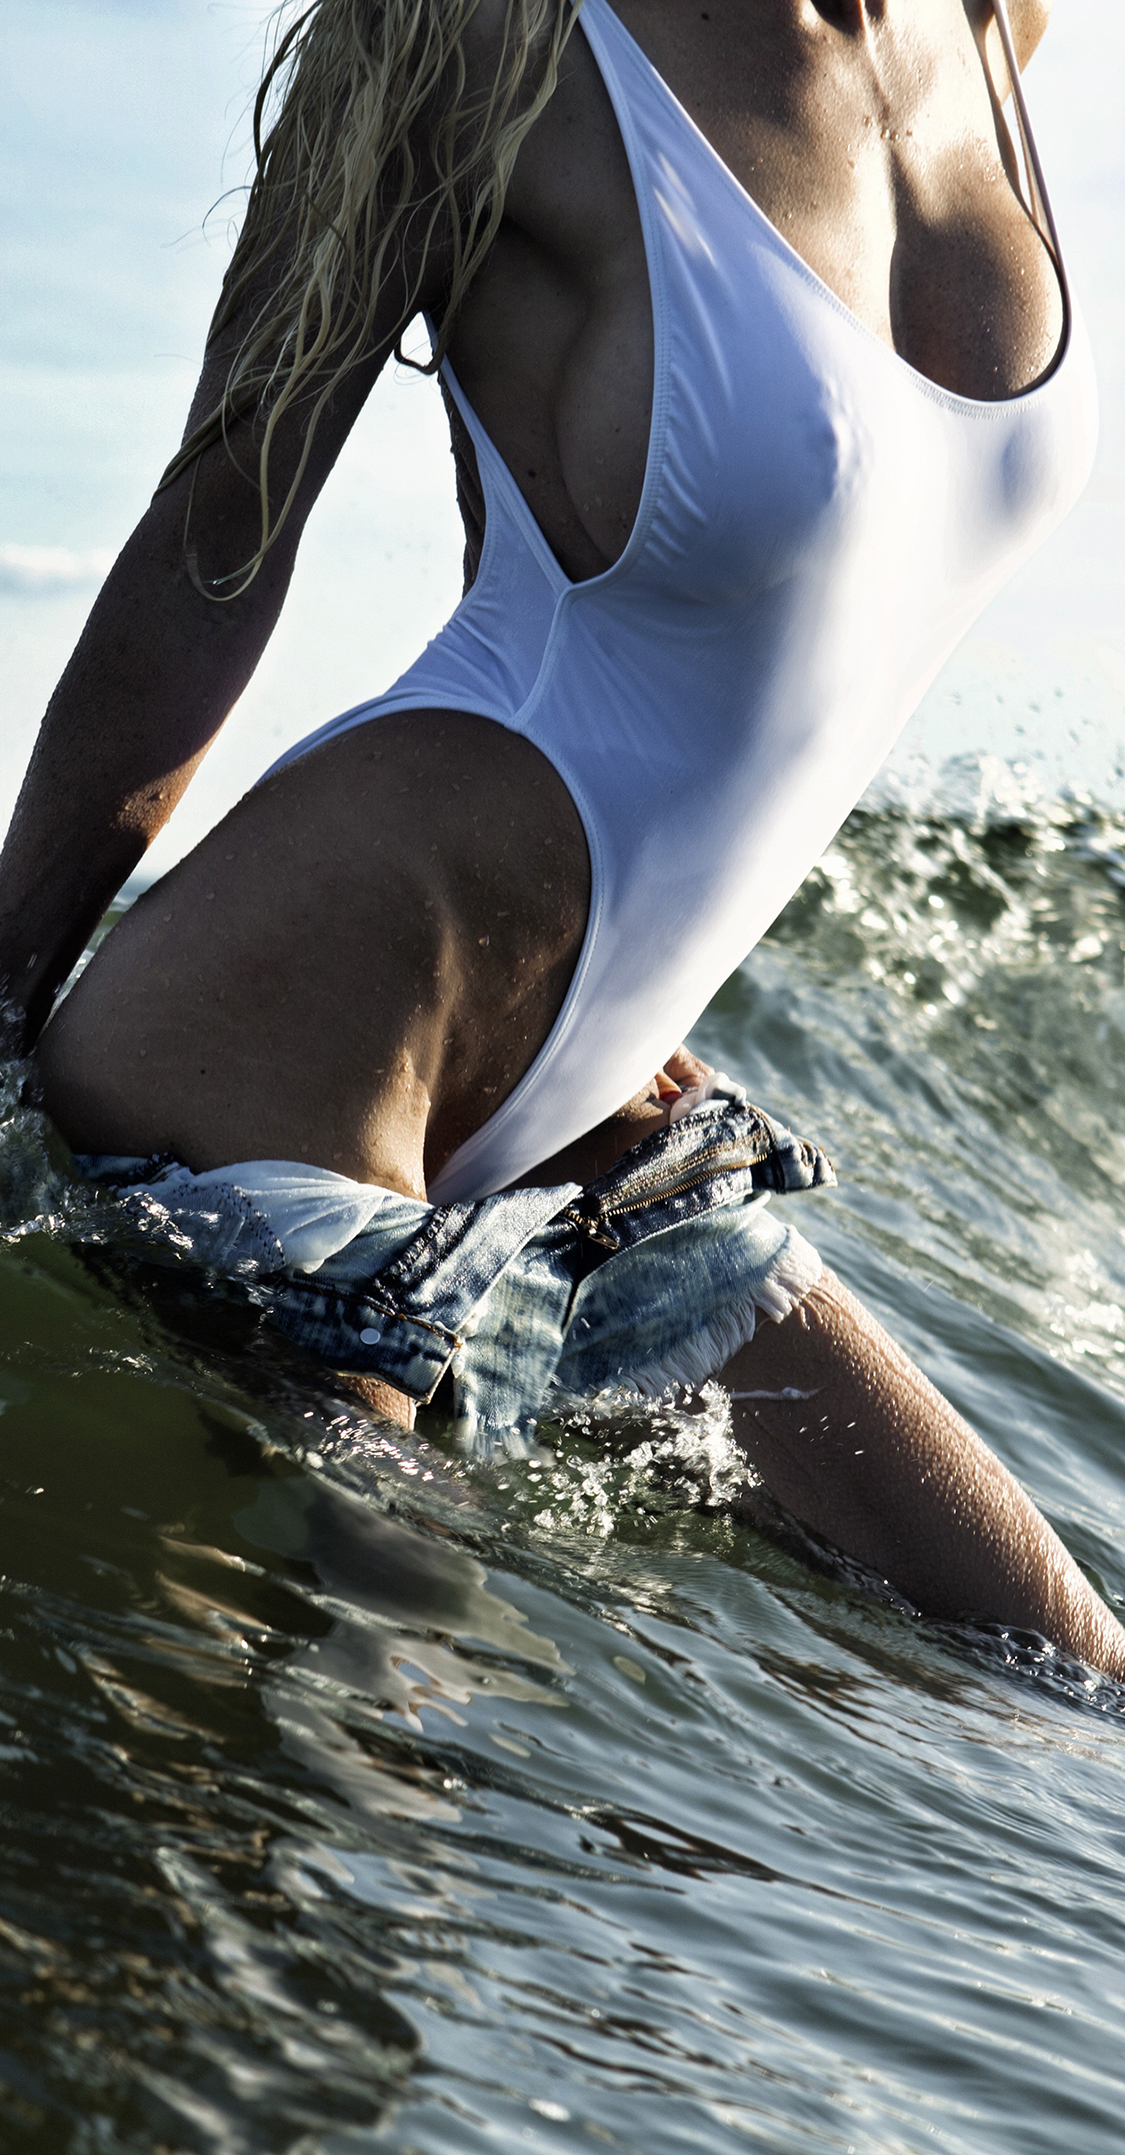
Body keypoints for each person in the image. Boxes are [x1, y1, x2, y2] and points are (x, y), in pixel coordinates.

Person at [3, 0, 1121, 1671]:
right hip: (305, 1039)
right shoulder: (478, 36)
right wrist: (4, 1002)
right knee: (332, 1803)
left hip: (599, 1096)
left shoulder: (994, 31)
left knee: (1053, 1679)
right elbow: (218, 529)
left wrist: (590, 982)